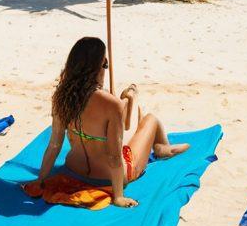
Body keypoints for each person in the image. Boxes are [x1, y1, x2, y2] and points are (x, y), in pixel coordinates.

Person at [32, 37, 189, 208]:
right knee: (150, 119)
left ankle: (132, 101)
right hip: (106, 176)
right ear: (99, 66)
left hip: (74, 168)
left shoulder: (61, 97)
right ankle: (161, 147)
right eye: (105, 64)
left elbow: (54, 145)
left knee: (125, 126)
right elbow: (114, 157)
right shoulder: (111, 105)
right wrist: (118, 196)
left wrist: (40, 180)